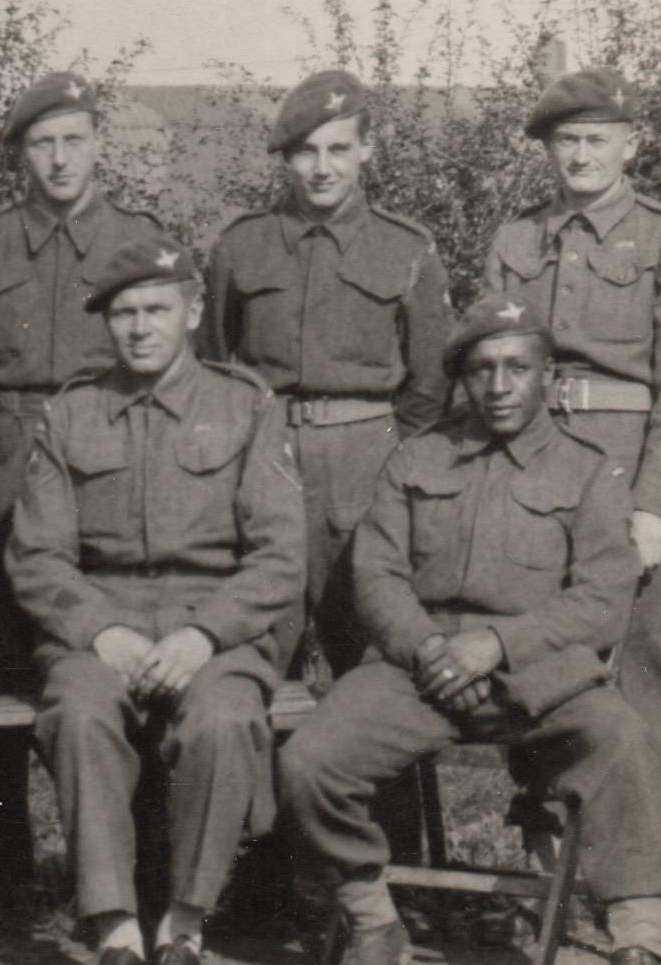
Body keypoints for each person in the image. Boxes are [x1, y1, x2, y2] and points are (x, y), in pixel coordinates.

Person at [275, 293, 661, 965]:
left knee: (622, 739)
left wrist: (497, 646)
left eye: (518, 368)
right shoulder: (418, 458)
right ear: (463, 379)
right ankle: (374, 923)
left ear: (548, 376)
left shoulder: (589, 471)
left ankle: (636, 948)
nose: (500, 384)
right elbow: (376, 573)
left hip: (538, 676)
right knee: (311, 758)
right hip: (419, 671)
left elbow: (602, 598)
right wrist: (428, 647)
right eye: (483, 369)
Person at [7, 236, 304, 965]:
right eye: (124, 313)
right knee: (78, 712)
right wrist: (99, 630)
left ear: (193, 313)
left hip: (214, 628)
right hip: (100, 628)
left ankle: (183, 932)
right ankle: (117, 938)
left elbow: (279, 556)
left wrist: (205, 637)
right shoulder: (70, 413)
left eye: (157, 310)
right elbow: (37, 556)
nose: (140, 328)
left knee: (224, 719)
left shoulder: (246, 406)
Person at [483, 68, 661, 960]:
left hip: (626, 469)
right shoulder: (518, 238)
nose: (579, 155)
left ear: (630, 144)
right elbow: (492, 367)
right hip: (538, 468)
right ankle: (550, 867)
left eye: (596, 138)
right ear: (548, 150)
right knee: (541, 657)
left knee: (642, 667)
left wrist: (655, 502)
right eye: (564, 141)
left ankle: (651, 889)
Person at [0, 72, 171, 903]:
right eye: (42, 143)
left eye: (74, 138)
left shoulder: (136, 237)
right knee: (3, 662)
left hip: (109, 457)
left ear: (98, 143)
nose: (58, 158)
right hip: (4, 455)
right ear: (20, 154)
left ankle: (142, 866)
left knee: (120, 647)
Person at [198, 70, 452, 680]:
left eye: (338, 148)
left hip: (366, 469)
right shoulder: (242, 246)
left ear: (367, 148)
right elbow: (212, 363)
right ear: (287, 158)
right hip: (265, 463)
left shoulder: (406, 249)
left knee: (376, 652)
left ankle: (390, 778)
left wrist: (393, 473)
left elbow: (430, 387)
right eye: (306, 151)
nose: (322, 168)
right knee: (253, 650)